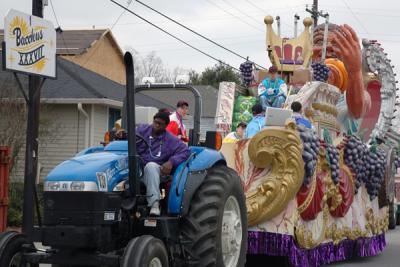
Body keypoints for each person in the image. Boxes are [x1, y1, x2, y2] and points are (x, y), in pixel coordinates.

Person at [136, 112, 191, 215]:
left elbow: (186, 151)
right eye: (155, 122)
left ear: (166, 126)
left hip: (156, 170)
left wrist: (171, 162)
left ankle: (154, 204)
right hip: (137, 168)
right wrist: (122, 133)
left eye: (160, 124)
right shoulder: (141, 130)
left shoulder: (170, 139)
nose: (156, 125)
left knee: (151, 166)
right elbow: (129, 135)